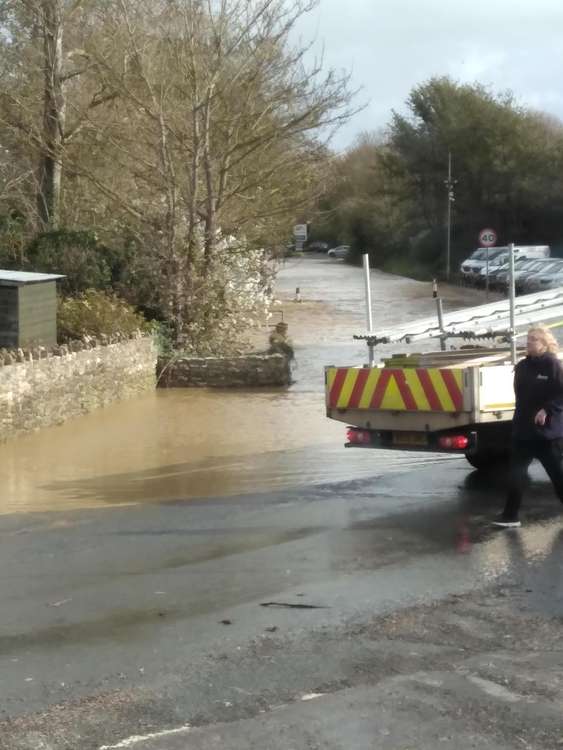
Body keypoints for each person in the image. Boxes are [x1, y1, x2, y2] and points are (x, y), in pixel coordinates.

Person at [493, 326, 563, 528]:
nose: (529, 342)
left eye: (534, 339)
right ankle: (510, 515)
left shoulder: (553, 365)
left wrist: (547, 410)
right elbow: (520, 396)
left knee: (557, 477)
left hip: (547, 435)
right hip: (523, 432)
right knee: (516, 473)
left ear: (544, 343)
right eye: (528, 338)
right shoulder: (522, 366)